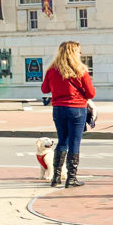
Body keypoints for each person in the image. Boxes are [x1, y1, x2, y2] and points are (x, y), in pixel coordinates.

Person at [41, 41, 96, 188]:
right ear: (73, 53)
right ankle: (71, 178)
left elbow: (44, 89)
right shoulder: (80, 70)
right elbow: (91, 93)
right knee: (74, 143)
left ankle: (56, 177)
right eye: (78, 51)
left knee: (62, 141)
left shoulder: (52, 70)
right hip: (77, 109)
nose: (80, 53)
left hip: (58, 109)